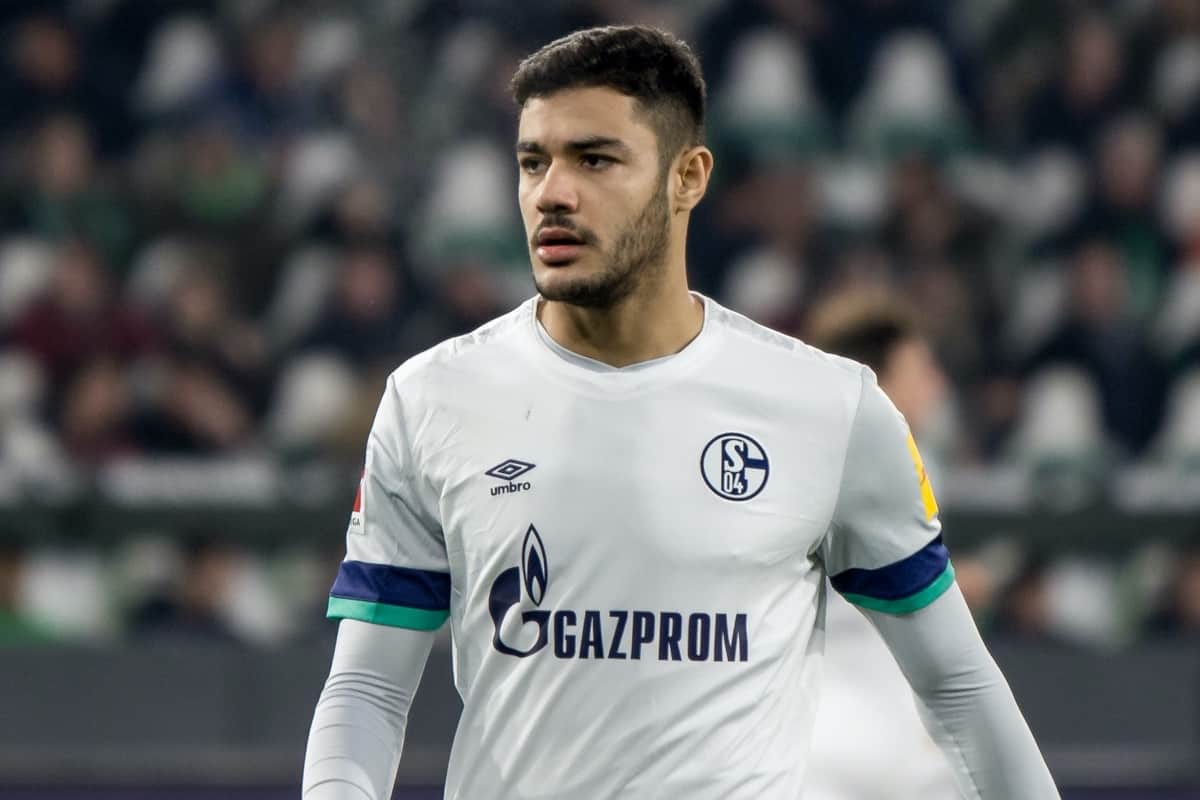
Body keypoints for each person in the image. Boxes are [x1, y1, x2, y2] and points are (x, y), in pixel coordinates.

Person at [303, 26, 1058, 799]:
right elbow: (369, 691)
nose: (552, 193)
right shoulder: (433, 398)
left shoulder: (829, 409)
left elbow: (959, 688)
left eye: (594, 159)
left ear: (687, 177)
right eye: (534, 161)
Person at [802, 290, 959, 799]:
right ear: (875, 383)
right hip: (869, 744)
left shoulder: (793, 458)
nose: (937, 386)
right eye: (921, 371)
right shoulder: (905, 463)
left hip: (814, 739)